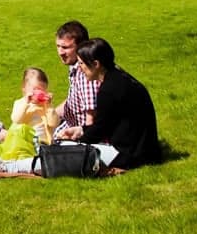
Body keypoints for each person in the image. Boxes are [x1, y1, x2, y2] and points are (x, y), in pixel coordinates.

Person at [55, 37, 162, 170]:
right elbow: (107, 122)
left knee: (64, 152)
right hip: (147, 149)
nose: (80, 69)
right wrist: (80, 130)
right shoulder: (121, 77)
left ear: (96, 64)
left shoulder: (108, 90)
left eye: (82, 64)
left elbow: (100, 130)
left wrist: (76, 143)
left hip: (129, 154)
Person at [0, 66, 58, 173]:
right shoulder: (20, 103)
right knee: (17, 128)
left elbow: (53, 123)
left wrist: (50, 106)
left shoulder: (45, 107)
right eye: (35, 90)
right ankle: (3, 159)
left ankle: (10, 164)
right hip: (23, 142)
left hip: (41, 143)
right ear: (24, 89)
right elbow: (16, 119)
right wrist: (26, 103)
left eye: (42, 90)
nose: (38, 93)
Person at [54, 20, 98, 134]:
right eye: (58, 46)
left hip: (77, 134)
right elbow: (74, 100)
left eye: (65, 47)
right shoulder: (75, 65)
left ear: (81, 47)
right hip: (68, 124)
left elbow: (91, 120)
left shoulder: (86, 74)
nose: (60, 52)